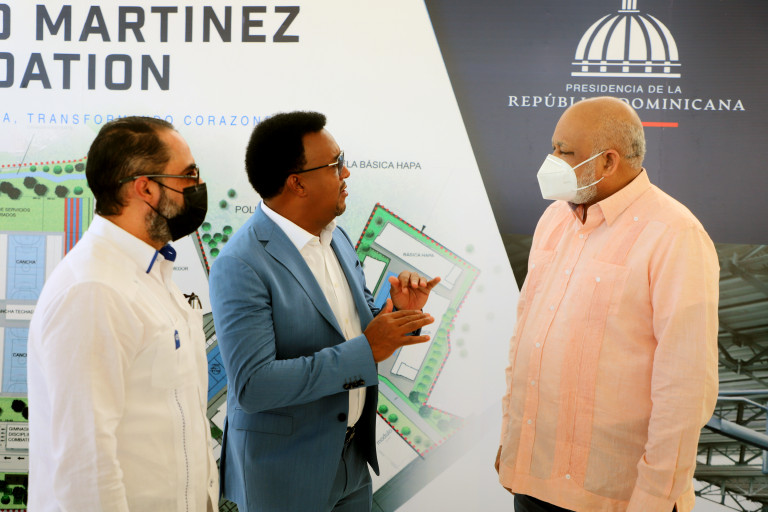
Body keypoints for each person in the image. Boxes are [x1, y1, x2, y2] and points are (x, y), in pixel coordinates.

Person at [496, 97, 719, 512]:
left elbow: (685, 388)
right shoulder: (554, 220)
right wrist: (513, 445)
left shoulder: (674, 235)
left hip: (614, 498)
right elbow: (525, 340)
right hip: (534, 483)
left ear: (608, 161)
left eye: (564, 151)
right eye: (553, 147)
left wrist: (653, 501)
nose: (551, 160)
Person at [208, 111, 440, 512]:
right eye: (336, 164)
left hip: (351, 463)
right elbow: (253, 386)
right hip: (285, 476)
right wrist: (366, 350)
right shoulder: (241, 263)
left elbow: (354, 331)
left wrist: (396, 311)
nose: (346, 173)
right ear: (297, 183)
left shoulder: (337, 238)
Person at [27, 116, 218, 511]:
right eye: (188, 175)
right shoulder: (92, 289)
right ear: (145, 188)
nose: (198, 186)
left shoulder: (151, 271)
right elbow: (86, 464)